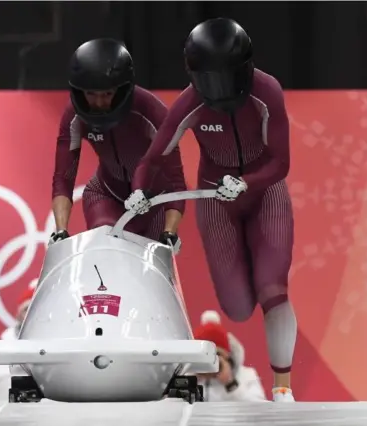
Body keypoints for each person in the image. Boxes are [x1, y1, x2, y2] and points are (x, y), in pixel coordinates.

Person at [124, 18, 297, 402]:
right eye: (211, 80)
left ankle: (282, 385)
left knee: (273, 287)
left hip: (264, 190)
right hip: (215, 198)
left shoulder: (267, 92)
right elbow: (152, 158)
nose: (221, 89)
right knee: (236, 307)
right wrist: (138, 190)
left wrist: (248, 182)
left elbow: (281, 162)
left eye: (228, 77)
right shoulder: (189, 104)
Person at [50, 38, 184, 250]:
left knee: (147, 274)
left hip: (152, 205)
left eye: (107, 94)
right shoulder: (74, 115)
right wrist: (60, 231)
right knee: (109, 249)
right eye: (91, 95)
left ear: (122, 90)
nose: (100, 103)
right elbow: (63, 177)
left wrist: (170, 231)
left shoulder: (152, 112)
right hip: (105, 196)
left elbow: (175, 181)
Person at [193, 310, 266, 402]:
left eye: (217, 354)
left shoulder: (247, 376)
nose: (211, 360)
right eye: (206, 354)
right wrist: (191, 379)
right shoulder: (188, 376)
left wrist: (230, 384)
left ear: (228, 355)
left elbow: (259, 409)